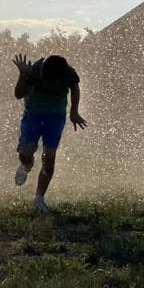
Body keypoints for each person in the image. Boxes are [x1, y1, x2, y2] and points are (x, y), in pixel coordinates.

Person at [12, 52, 86, 212]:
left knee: (49, 158)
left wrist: (74, 111)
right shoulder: (35, 71)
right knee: (26, 152)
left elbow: (75, 88)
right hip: (33, 115)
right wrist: (23, 74)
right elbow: (18, 95)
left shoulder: (68, 72)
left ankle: (39, 198)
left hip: (56, 117)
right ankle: (26, 164)